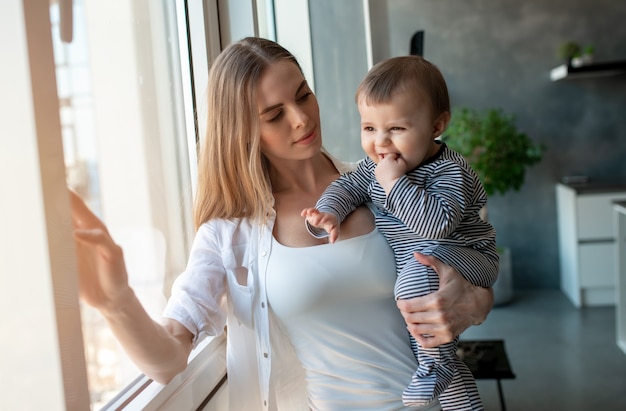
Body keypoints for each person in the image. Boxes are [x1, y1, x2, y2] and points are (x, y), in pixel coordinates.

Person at [70, 37, 494, 411]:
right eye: (275, 115)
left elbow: (469, 267)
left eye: (303, 94)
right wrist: (116, 301)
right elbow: (168, 359)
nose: (302, 119)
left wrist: (475, 303)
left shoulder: (383, 181)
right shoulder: (230, 236)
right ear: (243, 132)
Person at [302, 55, 499, 410]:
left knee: (413, 282)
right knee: (428, 334)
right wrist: (329, 210)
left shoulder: (449, 172)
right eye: (369, 128)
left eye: (396, 129)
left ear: (437, 125)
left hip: (469, 257)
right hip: (426, 266)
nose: (381, 143)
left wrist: (394, 184)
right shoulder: (374, 167)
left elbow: (435, 226)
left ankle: (434, 365)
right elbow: (348, 187)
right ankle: (448, 375)